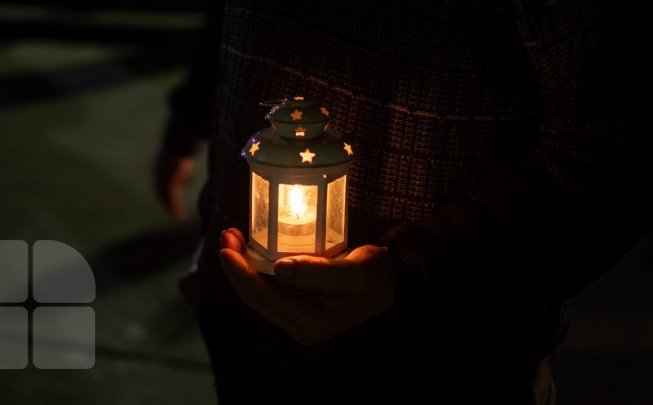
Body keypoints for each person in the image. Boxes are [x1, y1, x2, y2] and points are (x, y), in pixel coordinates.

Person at [156, 0, 652, 403]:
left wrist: (411, 270)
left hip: (445, 352)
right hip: (246, 329)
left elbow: (618, 142)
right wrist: (192, 128)